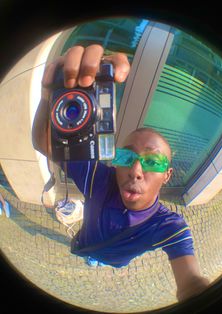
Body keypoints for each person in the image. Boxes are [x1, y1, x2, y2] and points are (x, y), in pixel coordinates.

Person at [32, 44, 209, 301]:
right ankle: (94, 258)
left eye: (153, 163)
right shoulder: (99, 179)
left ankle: (104, 262)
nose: (136, 170)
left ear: (167, 175)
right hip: (88, 242)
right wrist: (49, 97)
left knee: (113, 262)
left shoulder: (170, 226)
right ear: (115, 162)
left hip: (119, 259)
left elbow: (192, 282)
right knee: (93, 255)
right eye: (126, 157)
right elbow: (45, 144)